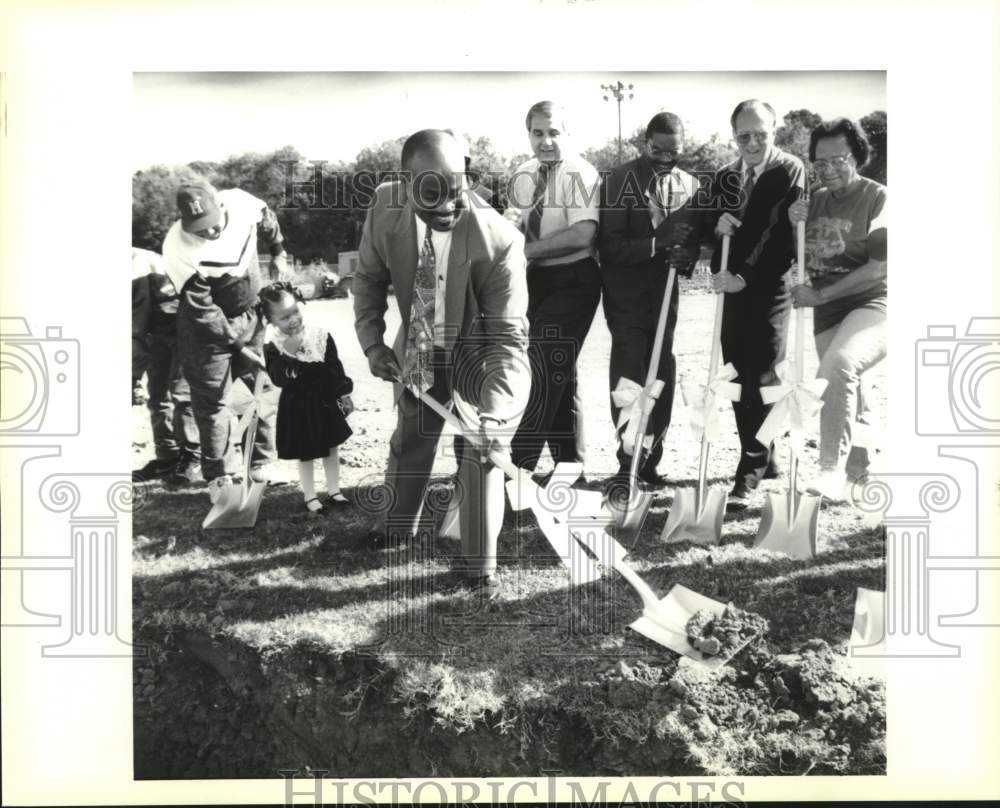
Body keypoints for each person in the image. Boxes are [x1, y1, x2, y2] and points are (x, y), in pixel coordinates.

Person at [353, 129, 529, 600]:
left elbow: (508, 339)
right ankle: (397, 527)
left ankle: (479, 567)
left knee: (480, 453)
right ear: (405, 183)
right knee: (412, 433)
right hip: (420, 342)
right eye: (432, 199)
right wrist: (373, 346)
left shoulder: (499, 239)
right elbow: (368, 279)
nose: (448, 208)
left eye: (457, 193)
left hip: (477, 352)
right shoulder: (384, 205)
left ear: (466, 171)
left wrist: (497, 413)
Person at [162, 181, 287, 503]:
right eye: (199, 229)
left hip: (251, 311)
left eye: (212, 223)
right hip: (205, 329)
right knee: (212, 402)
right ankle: (220, 476)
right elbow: (202, 308)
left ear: (221, 205)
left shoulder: (243, 203)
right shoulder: (176, 247)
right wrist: (237, 346)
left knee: (259, 389)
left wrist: (279, 252)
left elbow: (268, 220)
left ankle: (259, 463)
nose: (209, 233)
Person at [708, 99, 806, 509]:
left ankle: (750, 469)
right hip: (732, 287)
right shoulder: (725, 177)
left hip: (769, 286)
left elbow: (776, 235)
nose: (751, 142)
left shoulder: (789, 168)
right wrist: (718, 228)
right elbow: (718, 235)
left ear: (775, 129)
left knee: (763, 378)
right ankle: (767, 455)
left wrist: (744, 277)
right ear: (734, 135)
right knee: (735, 375)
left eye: (760, 134)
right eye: (743, 135)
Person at [598, 111, 702, 490]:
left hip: (665, 293)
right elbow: (608, 247)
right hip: (625, 295)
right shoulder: (617, 180)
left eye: (673, 151)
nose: (665, 158)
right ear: (646, 143)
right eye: (657, 150)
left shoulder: (690, 184)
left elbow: (691, 241)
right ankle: (628, 460)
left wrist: (685, 256)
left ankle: (651, 462)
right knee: (630, 372)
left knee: (662, 372)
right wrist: (660, 242)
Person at [787, 118, 887, 501]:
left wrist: (821, 297)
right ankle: (860, 473)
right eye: (820, 162)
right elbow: (792, 250)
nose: (827, 169)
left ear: (857, 156)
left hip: (875, 301)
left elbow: (878, 267)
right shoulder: (813, 201)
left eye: (837, 159)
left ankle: (828, 469)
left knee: (838, 366)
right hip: (827, 309)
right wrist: (790, 220)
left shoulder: (879, 198)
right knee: (847, 386)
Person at [503, 101, 602, 480]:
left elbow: (583, 234)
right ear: (528, 135)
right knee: (561, 370)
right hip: (533, 282)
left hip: (574, 278)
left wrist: (524, 250)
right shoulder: (523, 173)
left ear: (568, 133)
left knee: (543, 365)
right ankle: (570, 466)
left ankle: (516, 465)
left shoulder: (581, 172)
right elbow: (511, 225)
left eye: (554, 132)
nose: (546, 141)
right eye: (538, 133)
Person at [260, 282, 354, 514]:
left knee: (332, 446)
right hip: (298, 405)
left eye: (295, 312)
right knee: (307, 451)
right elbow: (277, 378)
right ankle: (310, 495)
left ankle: (334, 490)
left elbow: (334, 367)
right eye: (284, 318)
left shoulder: (319, 335)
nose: (292, 320)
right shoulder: (274, 346)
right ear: (271, 322)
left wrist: (343, 393)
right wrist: (289, 355)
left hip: (324, 400)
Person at [131, 247, 200, 484]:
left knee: (182, 394)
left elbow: (135, 326)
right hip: (155, 331)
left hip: (182, 327)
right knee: (157, 396)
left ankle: (192, 456)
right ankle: (167, 457)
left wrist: (133, 376)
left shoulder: (137, 264)